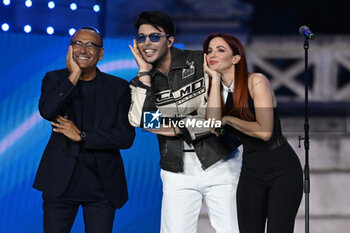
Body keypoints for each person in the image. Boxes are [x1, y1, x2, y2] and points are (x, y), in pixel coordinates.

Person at [128, 11, 241, 233]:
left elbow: (220, 111)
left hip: (220, 161)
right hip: (176, 169)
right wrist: (144, 74)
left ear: (169, 40)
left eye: (154, 36)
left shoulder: (200, 61)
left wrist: (180, 126)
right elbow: (141, 120)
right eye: (141, 38)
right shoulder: (141, 82)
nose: (146, 43)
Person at [33, 27, 135, 233]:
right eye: (77, 43)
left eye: (91, 45)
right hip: (59, 182)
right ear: (70, 49)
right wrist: (74, 75)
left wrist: (82, 136)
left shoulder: (118, 87)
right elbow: (47, 111)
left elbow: (125, 137)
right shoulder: (54, 79)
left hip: (102, 186)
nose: (83, 49)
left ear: (101, 53)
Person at [203, 33, 303, 233]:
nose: (212, 54)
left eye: (220, 50)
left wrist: (229, 119)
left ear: (236, 58)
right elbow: (213, 124)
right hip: (250, 172)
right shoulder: (215, 90)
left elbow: (265, 131)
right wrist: (214, 79)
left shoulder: (256, 81)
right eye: (209, 50)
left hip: (282, 170)